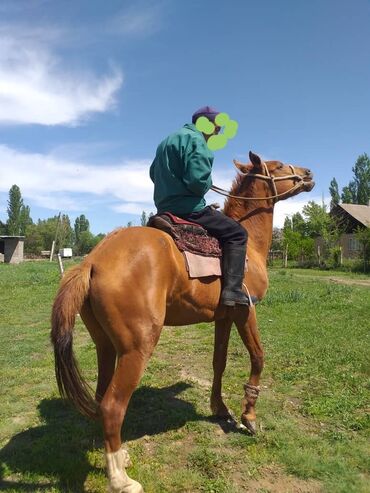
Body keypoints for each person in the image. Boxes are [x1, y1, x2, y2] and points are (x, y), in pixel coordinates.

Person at [150, 106, 250, 306]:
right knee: (237, 233)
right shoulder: (198, 141)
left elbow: (153, 173)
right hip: (189, 208)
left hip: (164, 207)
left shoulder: (166, 142)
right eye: (217, 127)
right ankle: (232, 291)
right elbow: (197, 183)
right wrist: (206, 183)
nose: (218, 132)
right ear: (206, 124)